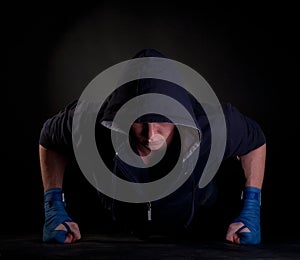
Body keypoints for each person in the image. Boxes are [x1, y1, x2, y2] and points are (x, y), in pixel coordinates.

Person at [39, 48, 266, 245]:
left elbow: (255, 141)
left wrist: (251, 209)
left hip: (198, 224)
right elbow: (50, 137)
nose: (150, 135)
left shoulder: (214, 126)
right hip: (117, 225)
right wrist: (54, 206)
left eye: (161, 121)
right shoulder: (90, 122)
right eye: (139, 122)